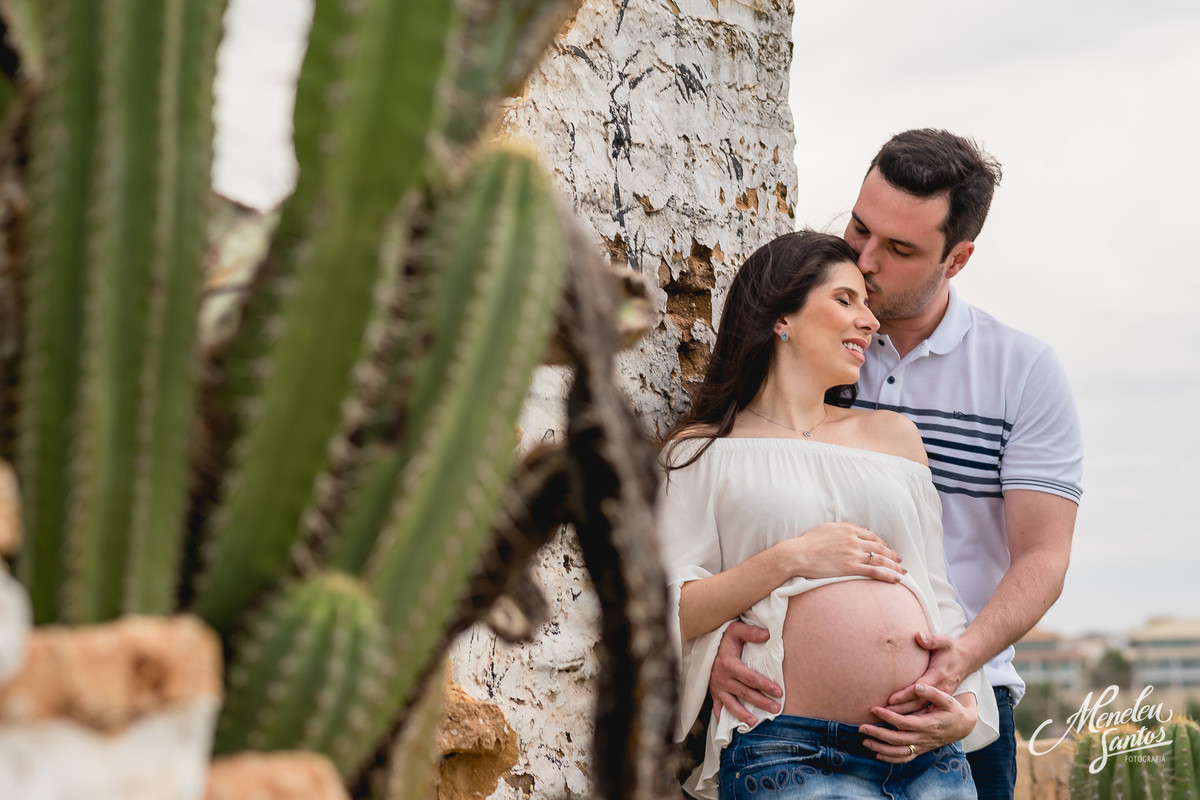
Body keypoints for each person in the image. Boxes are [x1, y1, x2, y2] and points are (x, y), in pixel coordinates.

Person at [706, 130, 1083, 800]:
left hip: (956, 714)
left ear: (957, 258)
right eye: (859, 227)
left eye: (900, 249)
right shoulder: (810, 334)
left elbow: (1044, 558)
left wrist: (955, 667)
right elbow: (724, 504)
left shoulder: (1022, 372)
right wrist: (710, 651)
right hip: (788, 725)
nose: (865, 259)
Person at [658, 230, 998, 800]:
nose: (869, 320)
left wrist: (964, 709)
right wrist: (790, 558)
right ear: (780, 317)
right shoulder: (702, 452)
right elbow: (667, 606)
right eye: (846, 300)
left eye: (867, 303)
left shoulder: (895, 437)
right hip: (791, 750)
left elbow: (937, 592)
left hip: (925, 750)